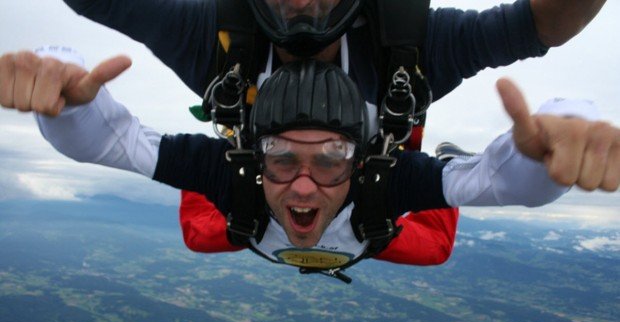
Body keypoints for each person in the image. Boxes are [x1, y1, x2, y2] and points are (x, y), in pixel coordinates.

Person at [51, 0, 607, 265]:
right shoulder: (218, 39)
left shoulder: (407, 43)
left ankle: (419, 147)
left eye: (329, 158)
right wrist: (59, 85)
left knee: (433, 240)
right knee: (204, 228)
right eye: (285, 159)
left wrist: (555, 143)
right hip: (277, 193)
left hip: (361, 201)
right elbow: (498, 182)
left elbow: (540, 25)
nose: (300, 4)